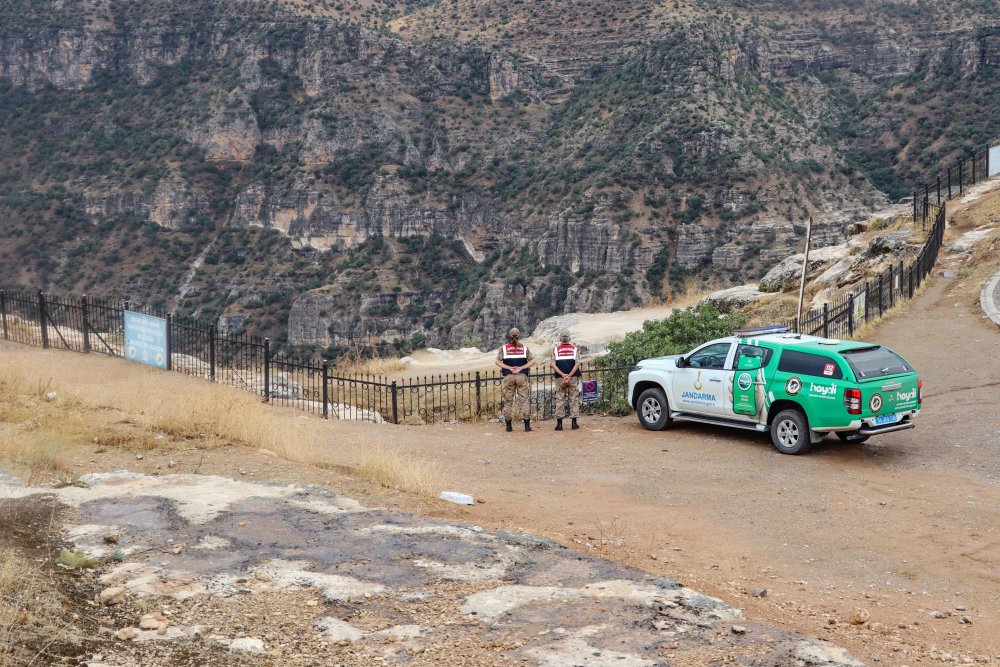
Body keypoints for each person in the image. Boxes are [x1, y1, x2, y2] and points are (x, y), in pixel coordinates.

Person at [496, 327, 535, 432]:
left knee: (508, 401)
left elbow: (497, 362)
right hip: (522, 376)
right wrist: (522, 368)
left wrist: (509, 368)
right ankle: (527, 426)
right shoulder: (524, 348)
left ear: (510, 336)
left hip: (508, 376)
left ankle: (508, 426)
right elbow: (532, 360)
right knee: (524, 400)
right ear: (519, 336)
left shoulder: (504, 348)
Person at [550, 331, 581, 430]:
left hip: (560, 378)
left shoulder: (555, 350)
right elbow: (577, 364)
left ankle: (559, 424)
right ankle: (574, 423)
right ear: (570, 339)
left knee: (559, 399)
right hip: (573, 378)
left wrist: (563, 375)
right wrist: (569, 375)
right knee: (573, 399)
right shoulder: (575, 349)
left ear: (560, 339)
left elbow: (553, 364)